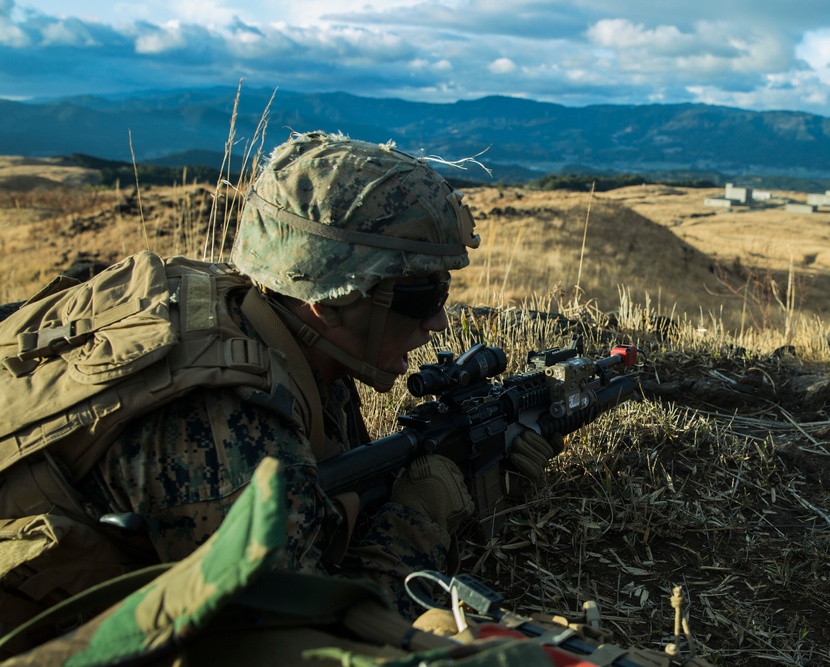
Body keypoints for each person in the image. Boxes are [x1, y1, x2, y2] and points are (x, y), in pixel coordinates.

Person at [0, 132, 561, 640]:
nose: (439, 323)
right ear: (330, 298)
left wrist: (481, 476)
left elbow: (331, 505)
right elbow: (309, 641)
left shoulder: (273, 326)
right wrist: (425, 515)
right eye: (422, 297)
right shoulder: (226, 429)